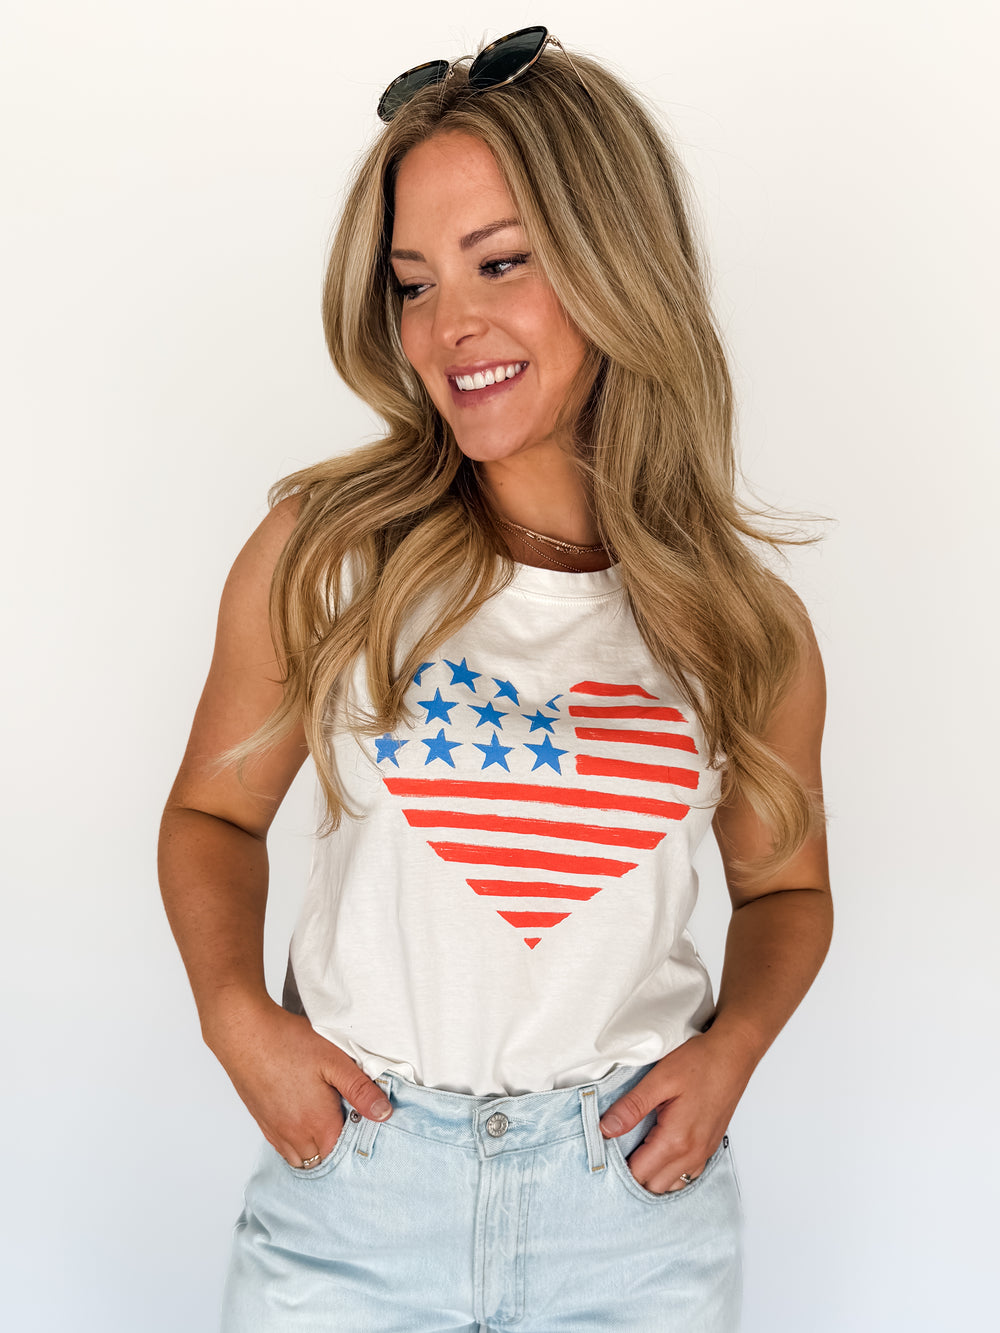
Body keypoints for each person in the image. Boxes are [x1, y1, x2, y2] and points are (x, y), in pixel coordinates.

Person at [158, 26, 831, 1333]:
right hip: (355, 1199)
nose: (447, 326)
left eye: (501, 262)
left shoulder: (742, 628)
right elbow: (212, 816)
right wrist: (233, 1016)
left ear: (616, 261)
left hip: (630, 1221)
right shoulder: (330, 556)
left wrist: (735, 1049)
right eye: (412, 283)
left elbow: (787, 891)